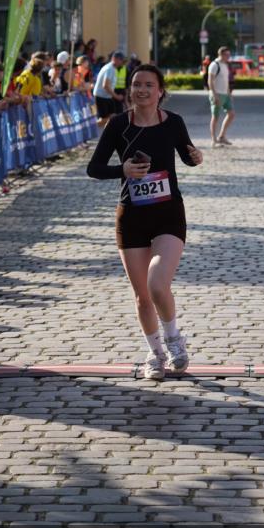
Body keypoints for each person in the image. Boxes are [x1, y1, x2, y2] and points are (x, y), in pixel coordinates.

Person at [86, 64, 203, 381]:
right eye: (136, 84)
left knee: (157, 284)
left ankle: (174, 338)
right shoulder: (118, 125)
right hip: (131, 216)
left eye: (149, 85)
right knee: (142, 296)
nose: (141, 90)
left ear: (160, 90)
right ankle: (155, 354)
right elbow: (94, 168)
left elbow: (187, 156)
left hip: (168, 214)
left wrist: (196, 156)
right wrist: (121, 170)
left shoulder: (173, 123)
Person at [208, 46, 235, 147]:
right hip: (217, 94)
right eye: (227, 55)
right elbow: (210, 81)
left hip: (225, 94)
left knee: (231, 114)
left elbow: (226, 81)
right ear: (221, 54)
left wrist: (229, 94)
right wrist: (215, 95)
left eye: (229, 55)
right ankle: (214, 140)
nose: (229, 57)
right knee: (215, 117)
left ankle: (222, 136)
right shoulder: (214, 65)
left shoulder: (225, 65)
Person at [93, 51, 126, 128]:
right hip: (101, 96)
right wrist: (116, 96)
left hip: (107, 97)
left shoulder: (112, 68)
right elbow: (105, 85)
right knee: (105, 119)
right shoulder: (110, 69)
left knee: (113, 116)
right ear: (114, 59)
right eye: (120, 60)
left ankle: (109, 133)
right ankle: (92, 127)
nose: (122, 62)